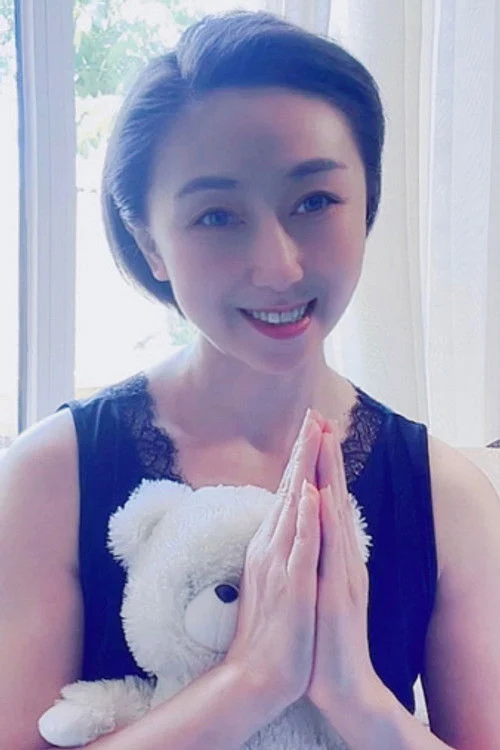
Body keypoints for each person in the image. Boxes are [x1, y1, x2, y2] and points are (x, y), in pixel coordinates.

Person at [1, 10, 499, 750]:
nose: (279, 267)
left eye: (314, 201)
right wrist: (251, 680)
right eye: (216, 216)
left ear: (367, 202)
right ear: (149, 242)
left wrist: (354, 694)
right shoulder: (51, 475)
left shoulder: (448, 495)